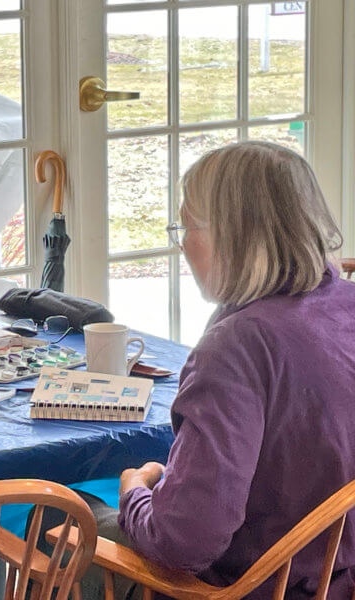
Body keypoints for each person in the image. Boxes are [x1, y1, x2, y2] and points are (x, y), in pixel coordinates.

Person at [41, 142, 355, 599]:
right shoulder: (345, 304)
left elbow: (183, 543)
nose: (182, 241)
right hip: (336, 577)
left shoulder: (239, 345)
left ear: (234, 235)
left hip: (248, 587)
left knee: (40, 513)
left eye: (186, 226)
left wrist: (134, 492)